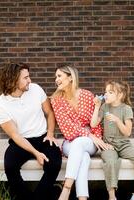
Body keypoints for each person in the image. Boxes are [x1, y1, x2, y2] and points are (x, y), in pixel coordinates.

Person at [0, 63, 62, 200]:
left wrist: (50, 134)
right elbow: (15, 135)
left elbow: (49, 113)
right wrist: (36, 153)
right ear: (13, 80)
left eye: (28, 76)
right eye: (25, 78)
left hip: (43, 137)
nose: (29, 80)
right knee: (10, 166)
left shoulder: (36, 89)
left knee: (54, 164)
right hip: (21, 141)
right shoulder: (1, 104)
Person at [50, 65, 113, 200]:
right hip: (70, 143)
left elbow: (94, 123)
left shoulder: (87, 95)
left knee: (81, 145)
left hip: (90, 142)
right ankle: (82, 198)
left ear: (71, 77)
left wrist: (95, 137)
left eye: (59, 76)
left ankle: (66, 189)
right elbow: (66, 127)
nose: (56, 80)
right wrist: (89, 134)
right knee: (83, 157)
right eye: (56, 77)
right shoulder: (56, 100)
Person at [91, 80, 134, 200]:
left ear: (120, 95)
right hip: (108, 145)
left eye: (110, 92)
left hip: (124, 145)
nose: (106, 94)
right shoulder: (104, 106)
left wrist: (117, 120)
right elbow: (93, 124)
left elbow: (127, 132)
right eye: (105, 91)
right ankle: (112, 197)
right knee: (111, 162)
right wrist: (97, 107)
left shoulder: (126, 109)